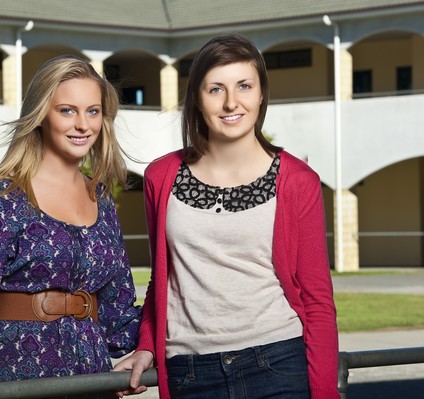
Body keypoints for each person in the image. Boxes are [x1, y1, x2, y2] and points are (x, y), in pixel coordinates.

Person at [113, 34, 339, 399]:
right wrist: (148, 345)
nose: (231, 102)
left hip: (277, 361)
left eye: (244, 86)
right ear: (197, 100)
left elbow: (317, 300)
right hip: (189, 370)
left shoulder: (298, 181)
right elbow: (163, 280)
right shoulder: (160, 176)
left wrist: (326, 394)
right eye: (215, 89)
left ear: (262, 93)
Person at [0, 55, 142, 395]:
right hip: (15, 370)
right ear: (40, 116)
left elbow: (119, 312)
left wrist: (151, 344)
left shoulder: (103, 200)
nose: (83, 124)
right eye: (67, 110)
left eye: (92, 111)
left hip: (91, 373)